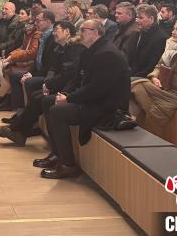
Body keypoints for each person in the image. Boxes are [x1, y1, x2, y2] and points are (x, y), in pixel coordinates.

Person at [37, 19, 131, 179]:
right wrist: (65, 94)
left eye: (83, 30)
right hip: (93, 99)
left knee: (57, 111)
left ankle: (68, 165)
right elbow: (77, 79)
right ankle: (57, 154)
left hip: (106, 107)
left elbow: (97, 89)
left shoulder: (107, 54)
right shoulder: (89, 50)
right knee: (48, 101)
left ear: (96, 32)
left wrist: (69, 99)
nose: (79, 33)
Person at [0, 20, 84, 147]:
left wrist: (50, 85)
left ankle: (17, 130)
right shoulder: (59, 47)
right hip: (59, 83)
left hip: (68, 87)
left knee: (40, 98)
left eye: (56, 30)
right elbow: (53, 68)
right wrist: (47, 83)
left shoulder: (75, 49)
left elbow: (68, 74)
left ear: (67, 32)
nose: (53, 33)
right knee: (36, 95)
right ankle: (20, 131)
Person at [0, 8, 41, 111]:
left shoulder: (36, 32)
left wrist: (12, 56)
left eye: (25, 14)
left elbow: (32, 52)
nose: (20, 15)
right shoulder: (27, 29)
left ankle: (3, 98)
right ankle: (4, 98)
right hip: (23, 58)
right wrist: (11, 55)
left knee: (8, 70)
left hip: (30, 63)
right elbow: (21, 47)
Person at [124, 4, 169, 78]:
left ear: (151, 19)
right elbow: (128, 57)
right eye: (137, 17)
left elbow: (151, 66)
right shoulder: (136, 33)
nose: (137, 20)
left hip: (142, 78)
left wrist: (132, 78)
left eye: (141, 18)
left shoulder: (161, 38)